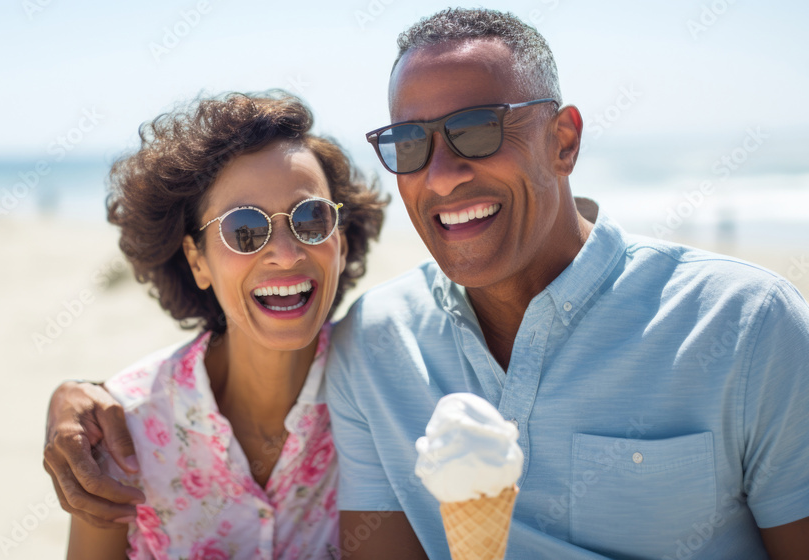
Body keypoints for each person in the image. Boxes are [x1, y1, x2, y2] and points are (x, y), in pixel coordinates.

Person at [46, 9, 809, 560]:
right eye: (409, 145)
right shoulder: (376, 350)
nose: (443, 175)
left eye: (477, 130)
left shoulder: (747, 328)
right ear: (198, 257)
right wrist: (80, 396)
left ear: (565, 139)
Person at [58, 91, 386, 559]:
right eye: (245, 229)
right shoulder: (121, 429)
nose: (287, 253)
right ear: (198, 262)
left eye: (311, 218)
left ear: (343, 242)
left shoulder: (384, 391)